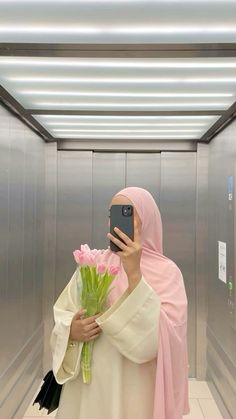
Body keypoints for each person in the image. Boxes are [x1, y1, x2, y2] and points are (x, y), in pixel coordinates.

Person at [50, 187, 190, 419]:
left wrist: (134, 272)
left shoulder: (168, 272)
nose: (116, 223)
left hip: (137, 388)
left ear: (148, 221)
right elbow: (63, 312)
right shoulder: (93, 263)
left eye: (128, 213)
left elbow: (163, 338)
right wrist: (71, 330)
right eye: (113, 214)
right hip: (90, 388)